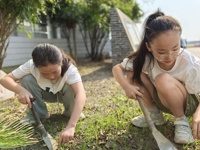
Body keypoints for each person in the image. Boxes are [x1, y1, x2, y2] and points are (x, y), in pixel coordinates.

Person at [112, 10, 200, 144]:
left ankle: (181, 122)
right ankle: (155, 115)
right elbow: (117, 68)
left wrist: (197, 116)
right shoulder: (146, 59)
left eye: (175, 48)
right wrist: (127, 86)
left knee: (162, 79)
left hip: (188, 104)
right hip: (164, 100)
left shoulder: (189, 62)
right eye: (161, 52)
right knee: (134, 74)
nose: (169, 56)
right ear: (149, 47)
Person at [0, 43, 86, 145]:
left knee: (72, 87)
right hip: (46, 93)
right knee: (26, 79)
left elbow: (80, 93)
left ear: (61, 63)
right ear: (36, 67)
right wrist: (21, 90)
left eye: (55, 72)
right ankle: (40, 114)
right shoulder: (30, 65)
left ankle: (70, 112)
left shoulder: (70, 69)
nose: (51, 76)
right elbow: (5, 79)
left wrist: (71, 126)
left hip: (65, 95)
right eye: (44, 73)